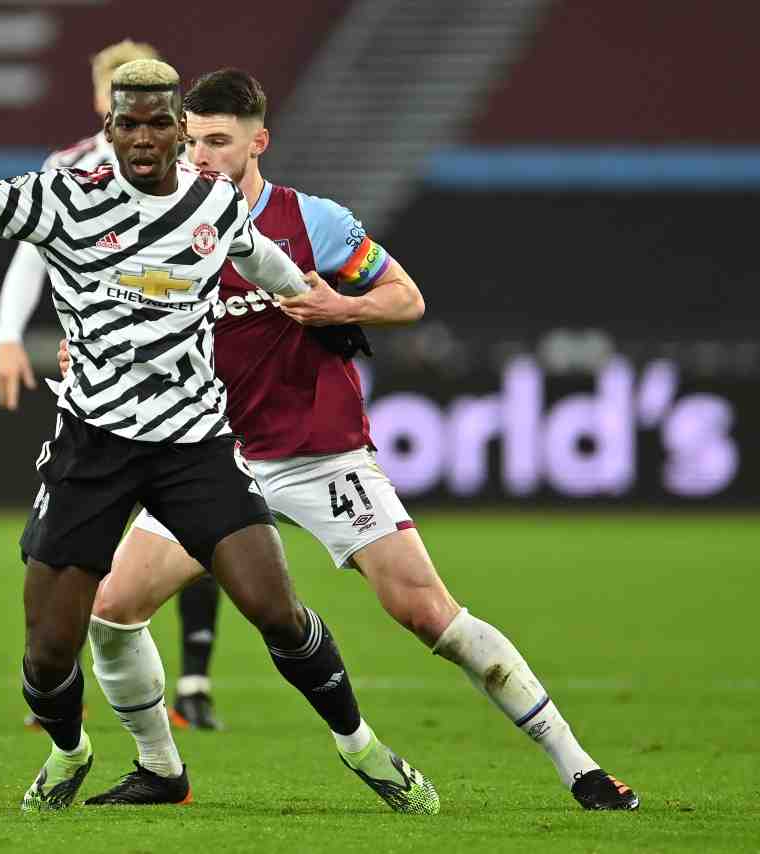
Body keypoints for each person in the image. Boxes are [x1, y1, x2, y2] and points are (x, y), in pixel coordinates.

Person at [0, 44, 438, 814]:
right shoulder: (63, 197)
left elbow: (273, 270)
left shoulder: (214, 204)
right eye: (128, 124)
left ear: (179, 131)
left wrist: (326, 310)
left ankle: (364, 750)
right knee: (48, 650)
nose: (143, 139)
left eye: (158, 126)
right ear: (109, 126)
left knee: (276, 607)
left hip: (196, 445)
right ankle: (72, 753)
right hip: (94, 446)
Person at [68, 68, 639, 811]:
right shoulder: (161, 223)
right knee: (113, 606)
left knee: (427, 613)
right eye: (193, 140)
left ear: (257, 142)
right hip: (209, 458)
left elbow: (407, 297)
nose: (200, 156)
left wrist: (344, 304)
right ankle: (162, 770)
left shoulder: (315, 223)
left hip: (321, 455)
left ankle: (580, 767)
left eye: (218, 141)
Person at [0, 39, 225, 732]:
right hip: (96, 387)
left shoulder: (189, 170)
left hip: (178, 378)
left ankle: (193, 682)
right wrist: (9, 333)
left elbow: (222, 248)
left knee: (198, 528)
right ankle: (58, 682)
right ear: (103, 102)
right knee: (67, 541)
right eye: (116, 92)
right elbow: (33, 254)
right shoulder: (65, 172)